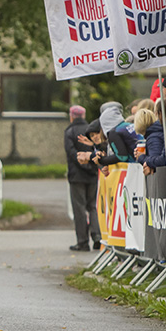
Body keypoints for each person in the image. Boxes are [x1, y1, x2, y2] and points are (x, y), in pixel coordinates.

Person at [64, 105, 101, 251]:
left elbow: (71, 152)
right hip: (92, 173)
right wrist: (91, 167)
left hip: (76, 176)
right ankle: (97, 235)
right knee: (92, 206)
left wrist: (82, 164)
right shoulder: (90, 130)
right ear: (83, 116)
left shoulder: (69, 131)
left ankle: (82, 241)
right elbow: (97, 148)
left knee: (79, 208)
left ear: (71, 116)